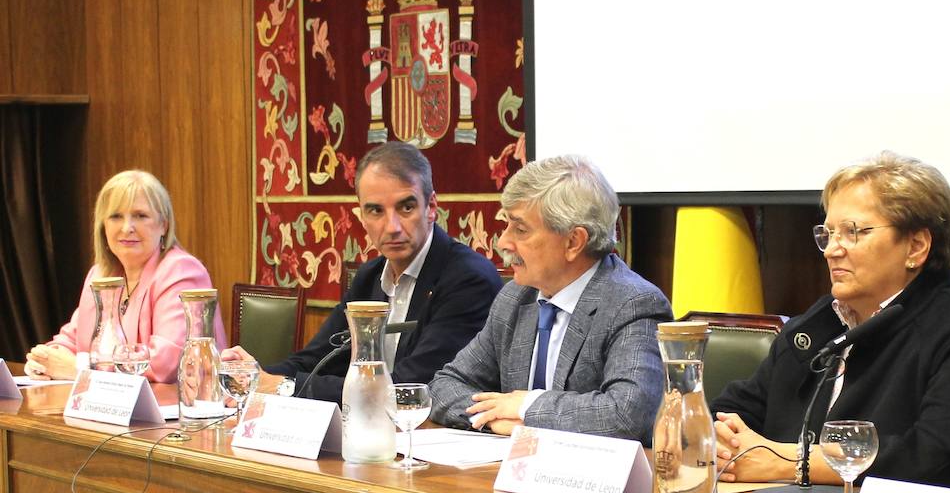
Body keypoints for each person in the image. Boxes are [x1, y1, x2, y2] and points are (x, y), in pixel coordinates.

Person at [712, 152, 950, 493]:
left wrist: (789, 462)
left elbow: (932, 457)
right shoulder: (817, 325)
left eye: (852, 232)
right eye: (828, 234)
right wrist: (718, 441)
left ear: (916, 247)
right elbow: (732, 411)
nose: (831, 250)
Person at [223, 141, 503, 403]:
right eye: (376, 211)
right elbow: (317, 358)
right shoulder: (370, 277)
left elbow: (411, 388)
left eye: (406, 207)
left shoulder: (468, 279)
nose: (392, 227)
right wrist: (252, 375)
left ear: (431, 207)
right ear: (361, 216)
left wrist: (284, 386)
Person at [429, 155, 673, 445]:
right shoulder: (515, 298)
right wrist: (494, 421)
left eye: (520, 230)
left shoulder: (633, 304)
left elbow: (626, 416)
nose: (503, 242)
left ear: (573, 242)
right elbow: (444, 386)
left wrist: (527, 406)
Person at [24, 170, 226, 384]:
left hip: (178, 402)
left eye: (140, 216)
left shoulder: (182, 271)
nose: (127, 227)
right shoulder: (101, 274)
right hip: (112, 402)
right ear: (103, 226)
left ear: (164, 225)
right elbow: (72, 339)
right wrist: (45, 359)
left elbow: (165, 364)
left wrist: (80, 368)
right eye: (115, 216)